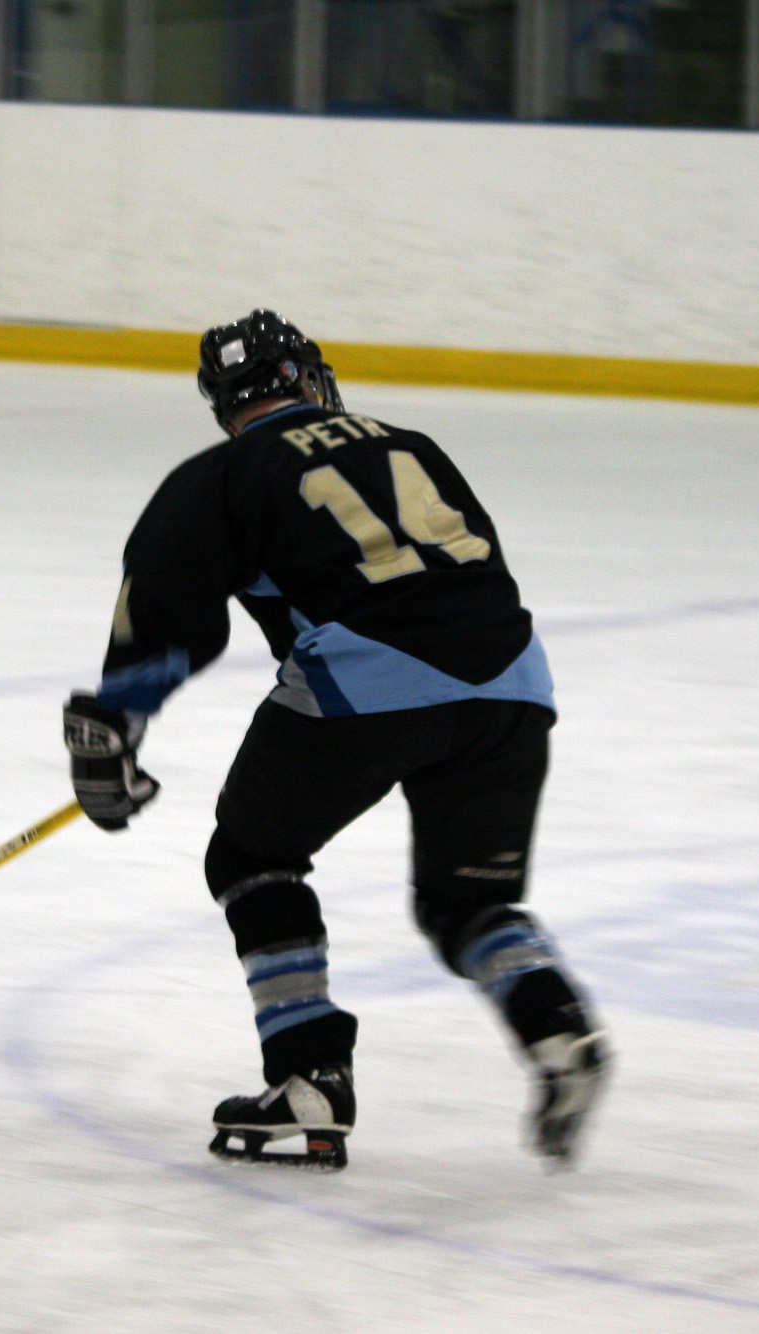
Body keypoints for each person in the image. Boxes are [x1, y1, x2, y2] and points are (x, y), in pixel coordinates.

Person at [62, 310, 607, 1172]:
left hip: (369, 680)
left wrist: (115, 730)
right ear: (310, 379)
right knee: (468, 904)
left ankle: (310, 1084)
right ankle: (558, 1029)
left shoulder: (222, 474)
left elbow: (166, 613)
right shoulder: (411, 442)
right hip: (514, 684)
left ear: (222, 407)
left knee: (252, 856)